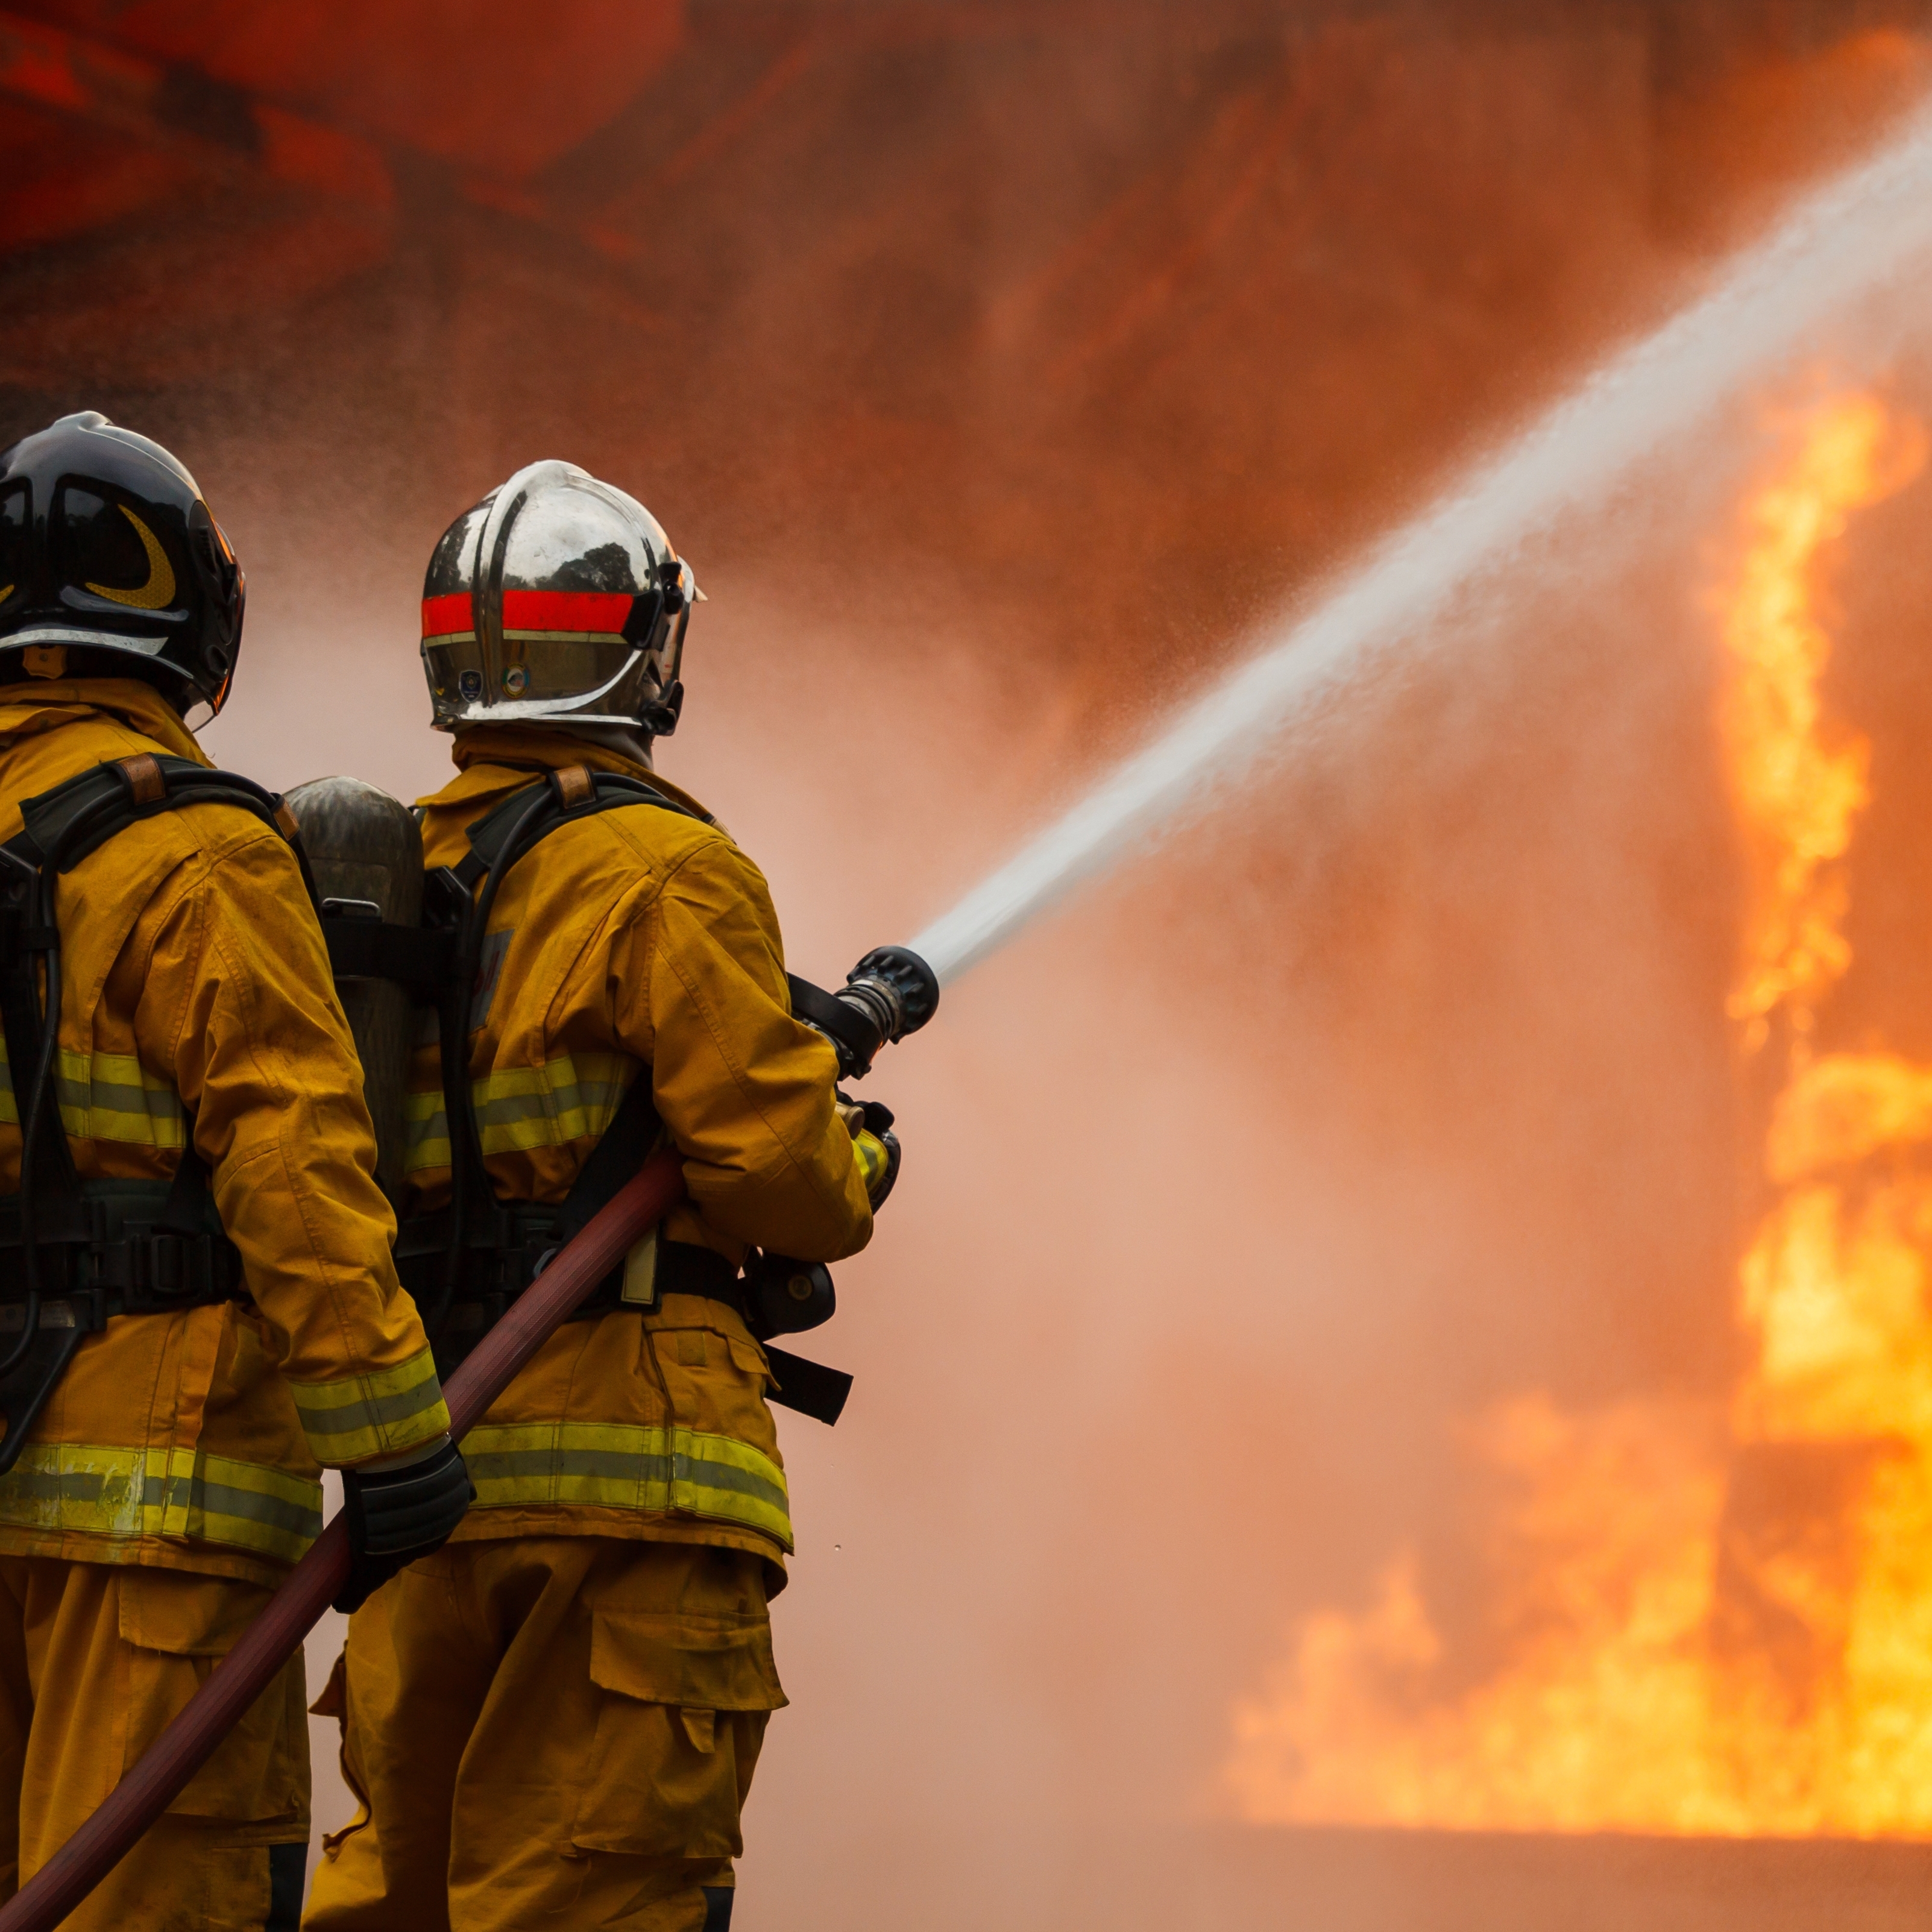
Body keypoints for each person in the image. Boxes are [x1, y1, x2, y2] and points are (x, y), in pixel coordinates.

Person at [303, 461, 898, 1932]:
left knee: (398, 1900)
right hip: (629, 1500)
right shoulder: (663, 872)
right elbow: (785, 1180)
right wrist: (863, 1149)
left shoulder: (400, 882)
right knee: (592, 1900)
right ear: (644, 649)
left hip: (429, 1489)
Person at [0, 413, 471, 1931]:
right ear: (188, 611)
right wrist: (395, 1442)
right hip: (160, 1507)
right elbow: (296, 1157)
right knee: (154, 1898)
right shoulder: (196, 852)